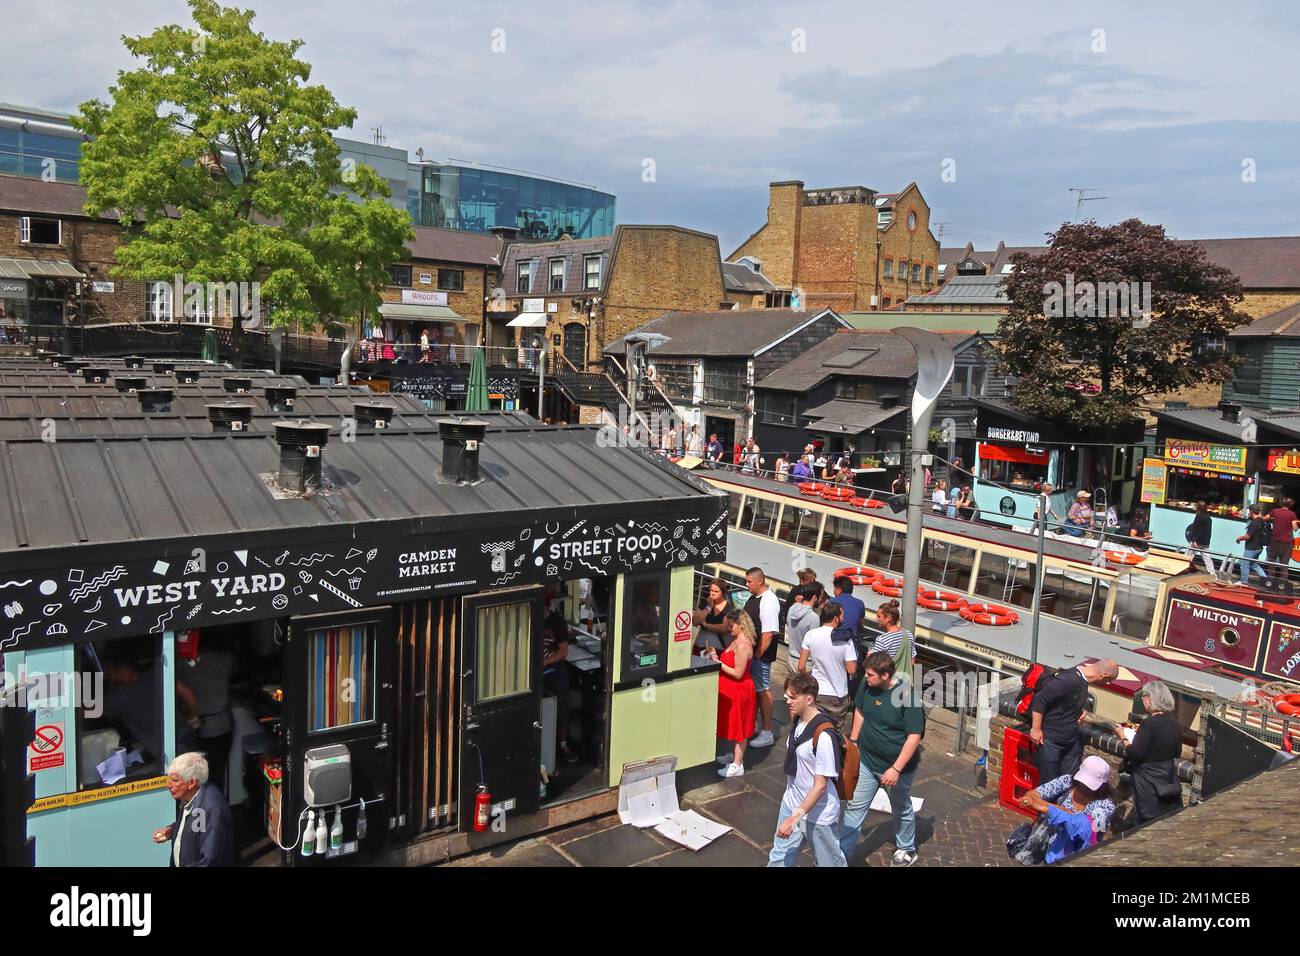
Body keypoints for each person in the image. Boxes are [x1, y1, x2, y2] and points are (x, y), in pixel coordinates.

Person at [840, 651, 924, 866]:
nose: (866, 678)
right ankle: (841, 855)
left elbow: (914, 737)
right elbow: (860, 710)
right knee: (855, 807)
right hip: (868, 761)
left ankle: (907, 848)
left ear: (885, 676)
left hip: (896, 768)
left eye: (870, 675)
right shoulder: (868, 686)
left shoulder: (907, 696)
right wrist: (855, 742)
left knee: (901, 807)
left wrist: (895, 769)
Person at [768, 672, 847, 867]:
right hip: (792, 801)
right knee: (779, 858)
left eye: (792, 697)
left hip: (818, 814)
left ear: (809, 699)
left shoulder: (824, 737)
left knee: (830, 863)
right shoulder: (798, 720)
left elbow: (820, 786)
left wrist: (794, 818)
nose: (787, 700)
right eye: (787, 696)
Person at [1029, 658, 1118, 781]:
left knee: (1069, 782)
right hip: (1051, 741)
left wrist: (1082, 708)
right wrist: (1036, 729)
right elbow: (1041, 699)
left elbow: (1069, 699)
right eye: (1109, 681)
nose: (1107, 684)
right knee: (1049, 784)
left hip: (1070, 741)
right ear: (1104, 676)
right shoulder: (1069, 679)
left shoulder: (1083, 680)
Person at [1016, 755, 1116, 863]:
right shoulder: (1066, 781)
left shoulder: (1106, 806)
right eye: (1083, 782)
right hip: (1051, 855)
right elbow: (1029, 796)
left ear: (1102, 786)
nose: (1084, 787)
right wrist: (1056, 808)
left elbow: (1082, 827)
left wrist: (1047, 809)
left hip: (1080, 860)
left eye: (1089, 785)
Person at [152, 752, 235, 867]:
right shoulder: (190, 796)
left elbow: (209, 861)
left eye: (175, 780)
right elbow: (195, 827)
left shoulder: (212, 809)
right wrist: (172, 830)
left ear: (191, 783)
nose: (169, 785)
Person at [1119, 681, 1184, 824]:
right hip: (1168, 779)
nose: (1142, 699)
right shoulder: (1176, 723)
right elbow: (1177, 752)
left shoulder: (1149, 724)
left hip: (1148, 782)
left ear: (1151, 698)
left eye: (1144, 695)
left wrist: (1122, 736)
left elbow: (1136, 753)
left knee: (1145, 822)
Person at [177, 639, 236, 795]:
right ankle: (217, 808)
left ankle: (204, 811)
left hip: (197, 728)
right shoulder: (226, 658)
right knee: (218, 773)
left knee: (198, 777)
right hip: (224, 726)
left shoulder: (181, 664)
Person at [707, 611, 756, 777]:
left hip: (739, 690)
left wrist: (717, 663)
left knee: (739, 728)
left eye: (730, 624)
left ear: (740, 624)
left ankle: (737, 764)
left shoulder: (743, 645)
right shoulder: (736, 641)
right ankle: (735, 756)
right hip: (731, 689)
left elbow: (738, 673)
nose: (728, 628)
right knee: (734, 725)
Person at [797, 604, 858, 734]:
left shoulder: (810, 635)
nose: (842, 618)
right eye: (841, 616)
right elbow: (851, 669)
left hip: (817, 691)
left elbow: (801, 666)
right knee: (833, 732)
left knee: (812, 729)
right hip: (838, 695)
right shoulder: (845, 639)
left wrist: (810, 677)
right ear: (836, 618)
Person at [743, 567, 782, 748]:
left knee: (763, 690)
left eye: (749, 581)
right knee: (756, 691)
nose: (746, 585)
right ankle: (757, 725)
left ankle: (767, 731)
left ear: (760, 581)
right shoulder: (754, 598)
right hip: (753, 655)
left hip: (761, 657)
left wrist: (757, 655)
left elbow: (768, 634)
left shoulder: (769, 601)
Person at [542, 596, 578, 763]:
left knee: (562, 704)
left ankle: (563, 744)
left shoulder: (557, 621)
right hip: (533, 673)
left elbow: (563, 652)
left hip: (554, 670)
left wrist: (544, 663)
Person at [872, 602, 916, 680]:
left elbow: (875, 666)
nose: (876, 618)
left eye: (879, 616)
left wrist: (869, 656)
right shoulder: (908, 634)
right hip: (906, 683)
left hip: (890, 685)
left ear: (888, 618)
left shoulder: (882, 640)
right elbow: (912, 661)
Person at [784, 582, 823, 665]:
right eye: (820, 597)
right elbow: (813, 644)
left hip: (791, 658)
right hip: (805, 662)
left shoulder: (792, 608)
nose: (821, 600)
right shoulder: (813, 617)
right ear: (814, 597)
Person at [692, 577, 733, 654]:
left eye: (716, 591)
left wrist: (706, 625)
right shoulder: (705, 603)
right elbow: (695, 622)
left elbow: (724, 628)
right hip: (700, 645)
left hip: (717, 648)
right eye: (711, 590)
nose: (712, 593)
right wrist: (708, 607)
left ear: (723, 592)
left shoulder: (728, 608)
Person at [1236, 504, 1272, 587]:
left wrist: (1239, 539)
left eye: (1249, 511)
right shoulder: (1262, 521)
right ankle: (1266, 581)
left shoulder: (1254, 523)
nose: (1248, 513)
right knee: (1254, 564)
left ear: (1251, 512)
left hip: (1251, 547)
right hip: (1259, 547)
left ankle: (1243, 582)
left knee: (1244, 565)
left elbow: (1248, 536)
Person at [1266, 498, 1298, 582]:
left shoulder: (1275, 511)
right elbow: (1295, 528)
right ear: (1291, 505)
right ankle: (1282, 582)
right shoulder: (1292, 514)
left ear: (1281, 503)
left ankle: (1271, 579)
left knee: (1271, 560)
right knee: (1284, 563)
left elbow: (1265, 518)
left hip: (1275, 540)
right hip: (1287, 543)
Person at [1185, 501, 1216, 576]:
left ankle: (1182, 568)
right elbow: (1207, 531)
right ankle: (1213, 574)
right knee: (1207, 558)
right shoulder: (1208, 517)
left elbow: (1197, 529)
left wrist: (1194, 539)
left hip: (1197, 541)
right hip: (1204, 541)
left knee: (1188, 556)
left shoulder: (1199, 516)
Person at [830, 575, 866, 641]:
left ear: (839, 589)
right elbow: (861, 624)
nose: (834, 591)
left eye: (834, 588)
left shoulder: (832, 602)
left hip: (834, 639)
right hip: (852, 641)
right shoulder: (860, 603)